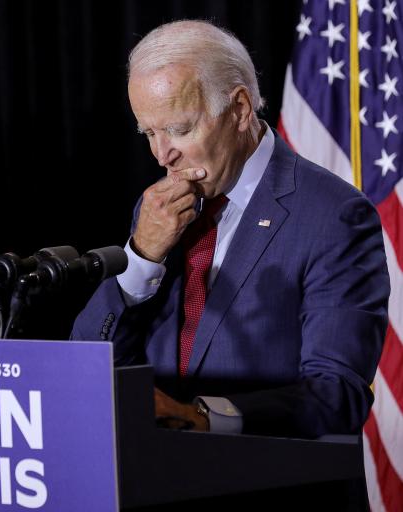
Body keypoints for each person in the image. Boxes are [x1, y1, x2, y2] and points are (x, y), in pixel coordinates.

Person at [72, 20, 390, 439]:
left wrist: (206, 418)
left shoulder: (334, 216)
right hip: (159, 484)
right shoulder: (157, 212)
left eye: (179, 129)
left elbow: (337, 394)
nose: (162, 154)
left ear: (239, 109)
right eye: (149, 132)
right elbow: (87, 365)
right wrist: (140, 258)